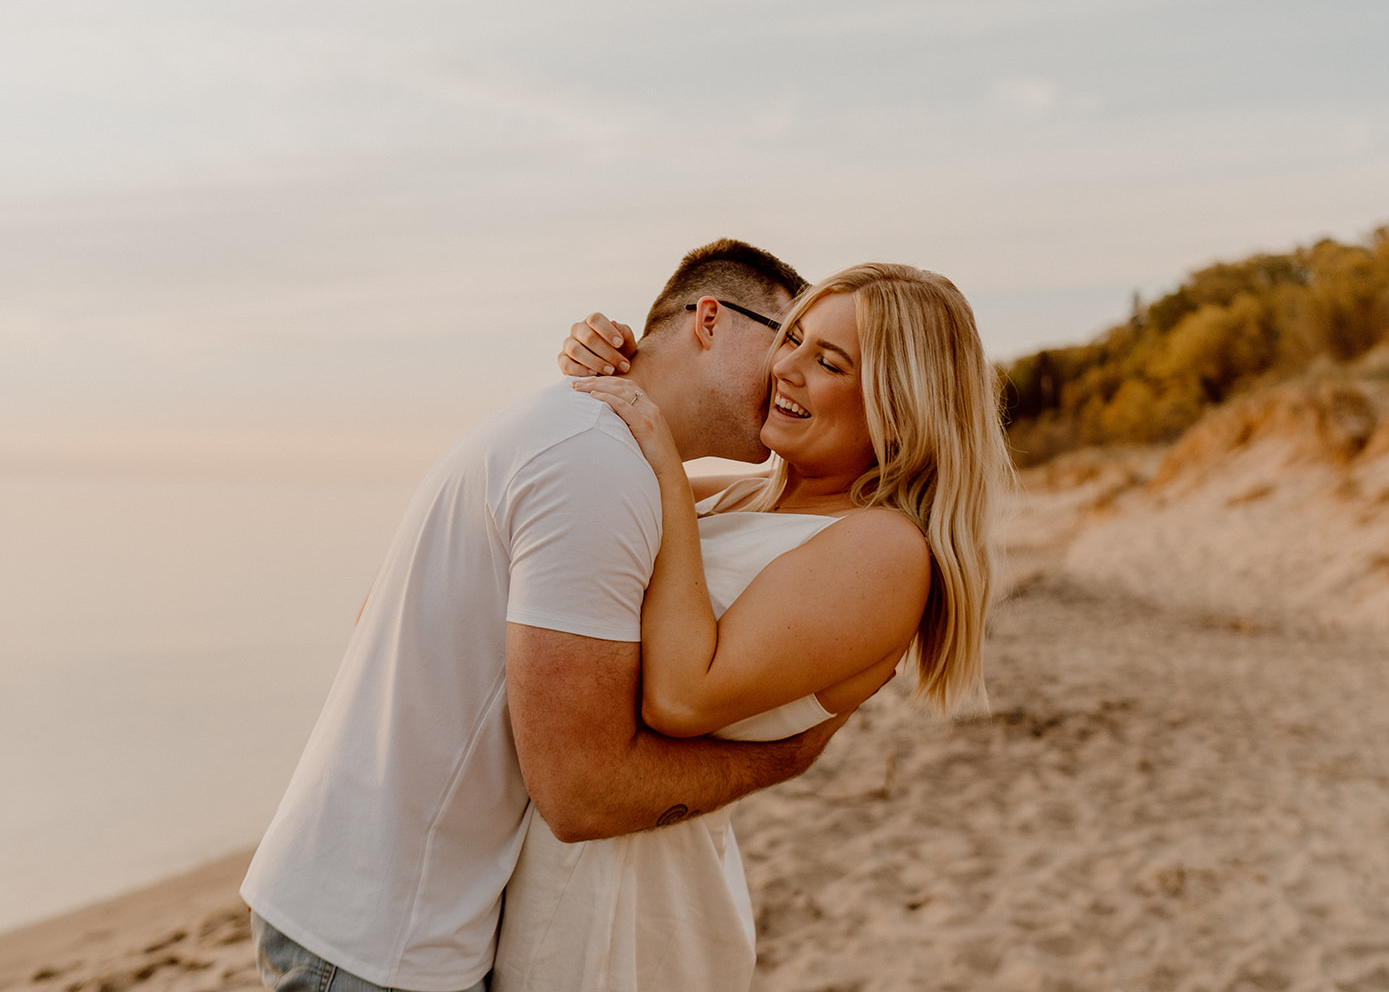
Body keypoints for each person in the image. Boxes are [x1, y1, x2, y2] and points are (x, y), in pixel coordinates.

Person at [240, 239, 854, 992]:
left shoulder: (575, 432)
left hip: (362, 906)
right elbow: (581, 792)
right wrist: (778, 759)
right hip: (384, 936)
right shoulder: (595, 464)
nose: (793, 371)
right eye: (786, 337)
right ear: (709, 320)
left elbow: (376, 613)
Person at [493, 263, 1010, 991]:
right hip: (559, 863)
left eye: (828, 361)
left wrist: (667, 474)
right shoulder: (743, 494)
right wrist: (608, 362)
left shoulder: (886, 549)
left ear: (899, 406)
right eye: (792, 338)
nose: (785, 367)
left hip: (634, 916)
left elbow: (681, 695)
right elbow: (564, 504)